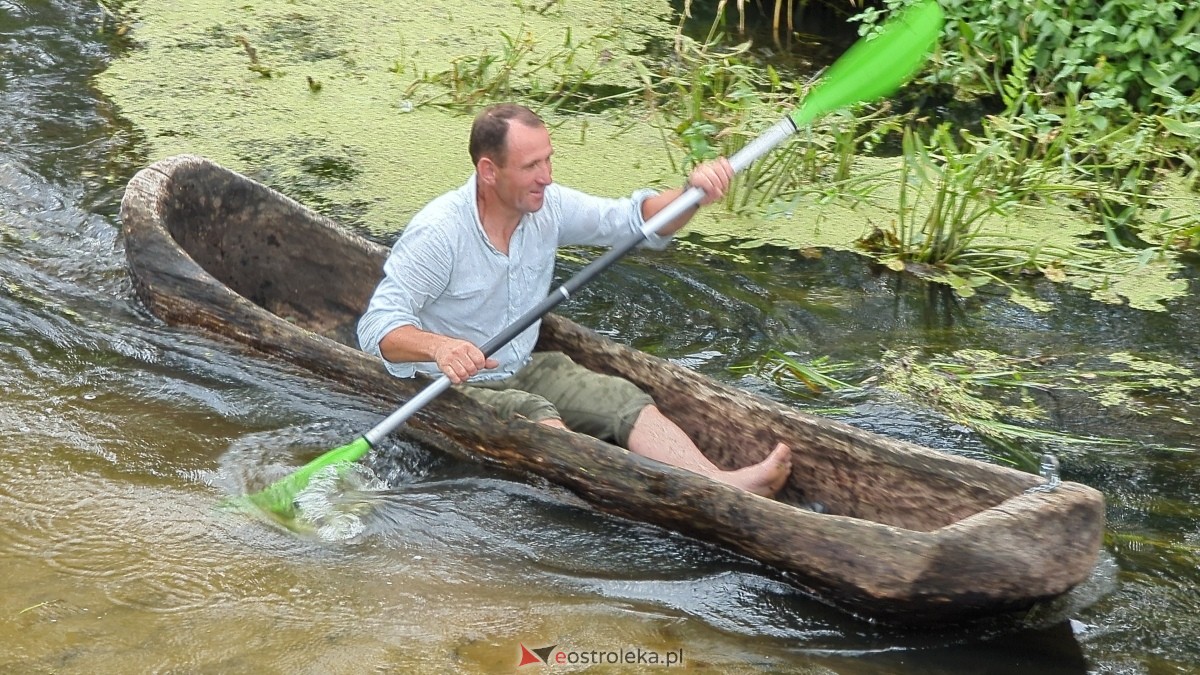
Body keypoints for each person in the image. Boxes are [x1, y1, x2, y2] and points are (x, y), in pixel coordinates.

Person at [358, 103, 791, 497]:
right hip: (447, 387)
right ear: (490, 171)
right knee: (534, 412)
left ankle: (718, 484)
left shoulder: (547, 205)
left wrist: (691, 194)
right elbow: (376, 326)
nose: (546, 176)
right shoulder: (440, 234)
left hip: (525, 366)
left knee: (622, 398)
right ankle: (633, 496)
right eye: (531, 165)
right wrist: (441, 347)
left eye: (548, 159)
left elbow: (634, 221)